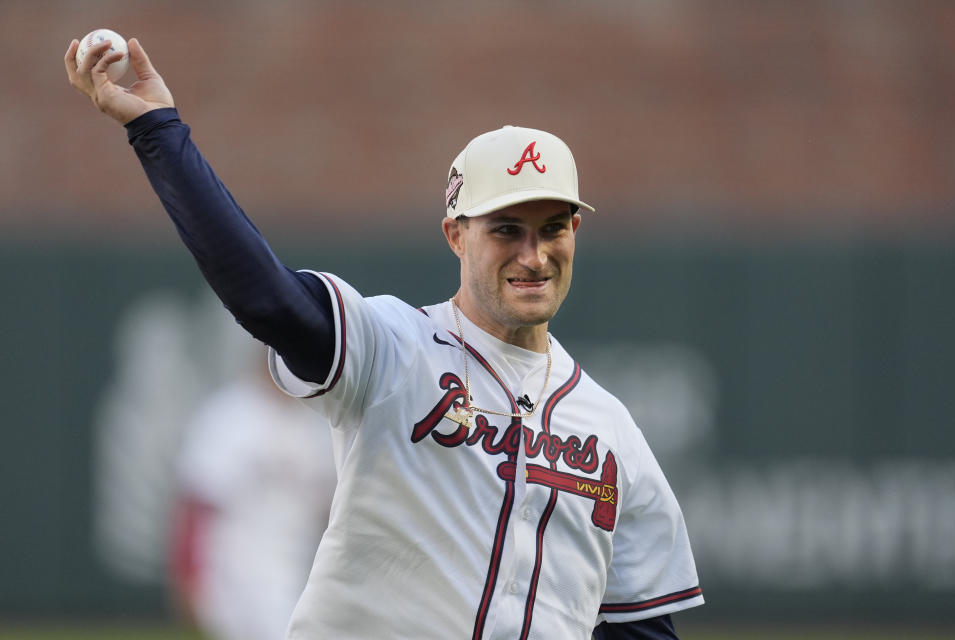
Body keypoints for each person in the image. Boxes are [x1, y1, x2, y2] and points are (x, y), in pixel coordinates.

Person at [66, 35, 704, 640]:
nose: (534, 255)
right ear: (456, 235)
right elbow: (266, 299)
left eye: (553, 228)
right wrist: (156, 131)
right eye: (506, 229)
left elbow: (642, 629)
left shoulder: (613, 434)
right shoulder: (393, 349)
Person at [170, 350, 337, 640]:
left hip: (296, 567)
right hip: (231, 571)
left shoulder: (316, 422)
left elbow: (331, 509)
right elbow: (197, 503)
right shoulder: (230, 415)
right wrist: (188, 574)